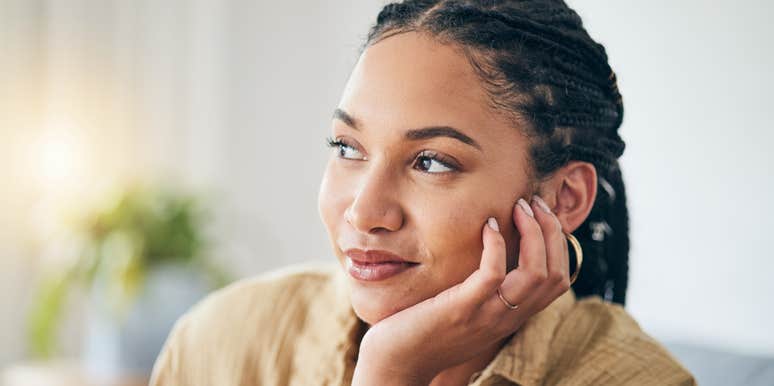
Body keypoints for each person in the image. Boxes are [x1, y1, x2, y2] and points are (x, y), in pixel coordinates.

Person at [150, 1, 696, 385]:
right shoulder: (223, 340)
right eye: (346, 147)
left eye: (431, 161)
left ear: (564, 198)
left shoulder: (639, 381)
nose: (364, 212)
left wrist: (391, 374)